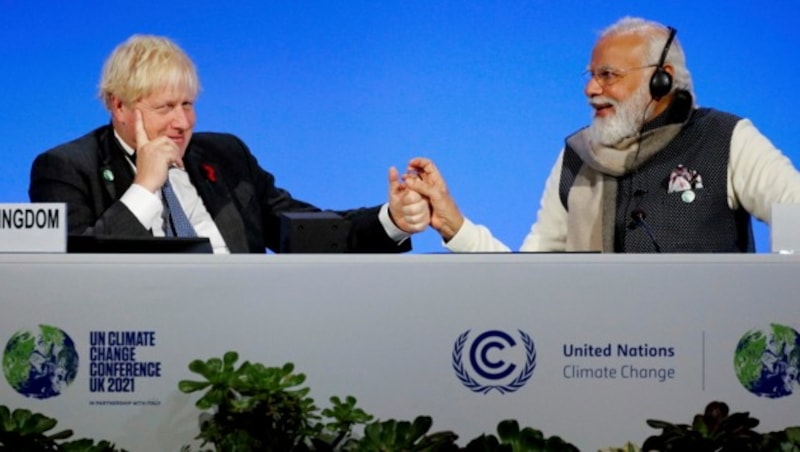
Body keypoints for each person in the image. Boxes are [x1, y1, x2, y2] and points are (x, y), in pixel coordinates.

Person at [402, 16, 800, 253]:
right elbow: (527, 278)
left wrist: (777, 309)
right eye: (591, 76)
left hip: (706, 360)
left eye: (608, 75)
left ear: (662, 81)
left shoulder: (725, 139)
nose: (591, 89)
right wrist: (456, 227)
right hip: (594, 363)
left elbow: (795, 211)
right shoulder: (578, 155)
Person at [29, 34, 429, 254]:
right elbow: (77, 268)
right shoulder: (65, 168)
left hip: (246, 329)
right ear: (118, 105)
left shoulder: (225, 155)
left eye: (188, 104)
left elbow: (304, 230)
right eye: (165, 107)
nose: (182, 122)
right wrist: (144, 187)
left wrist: (390, 221)